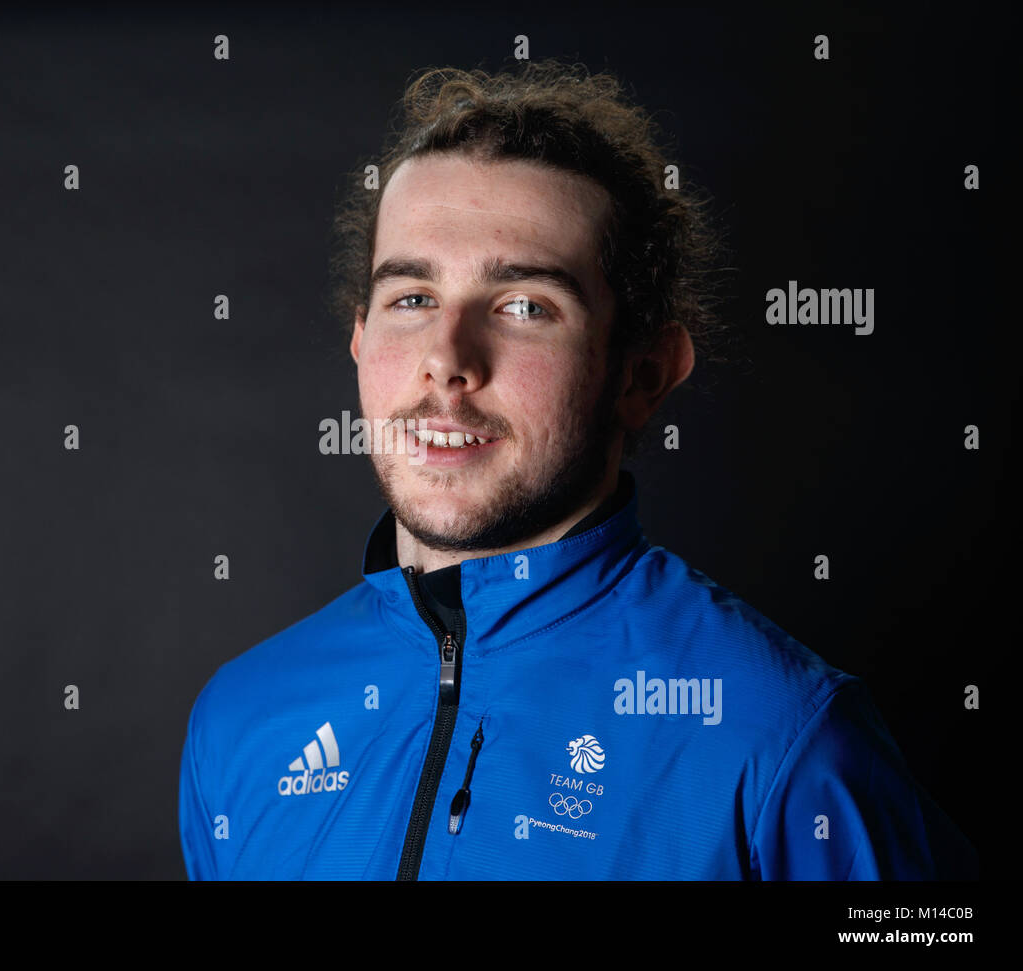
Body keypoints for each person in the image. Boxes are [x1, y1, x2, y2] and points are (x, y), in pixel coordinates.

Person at [178, 60, 977, 880]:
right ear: (359, 339)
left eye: (525, 306)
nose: (446, 362)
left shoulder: (784, 739)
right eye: (411, 298)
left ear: (642, 372)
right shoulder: (242, 718)